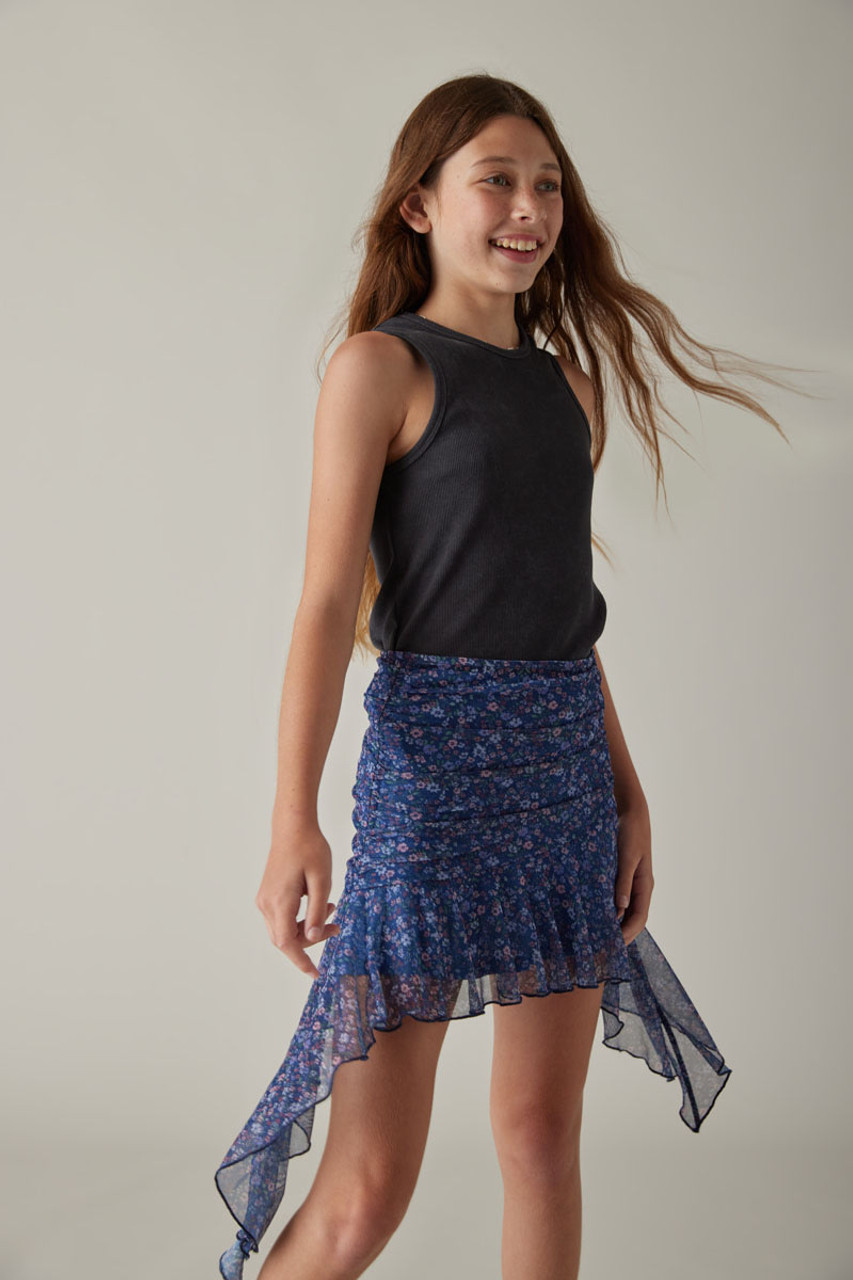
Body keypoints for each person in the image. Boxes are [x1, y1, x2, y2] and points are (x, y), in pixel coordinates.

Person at [214, 73, 803, 1280]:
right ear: (420, 203)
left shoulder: (565, 387)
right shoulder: (379, 367)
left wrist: (627, 790)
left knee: (540, 1137)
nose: (530, 208)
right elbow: (324, 605)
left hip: (563, 782)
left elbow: (563, 618)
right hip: (431, 784)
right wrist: (292, 818)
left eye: (548, 186)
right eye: (497, 180)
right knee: (368, 1185)